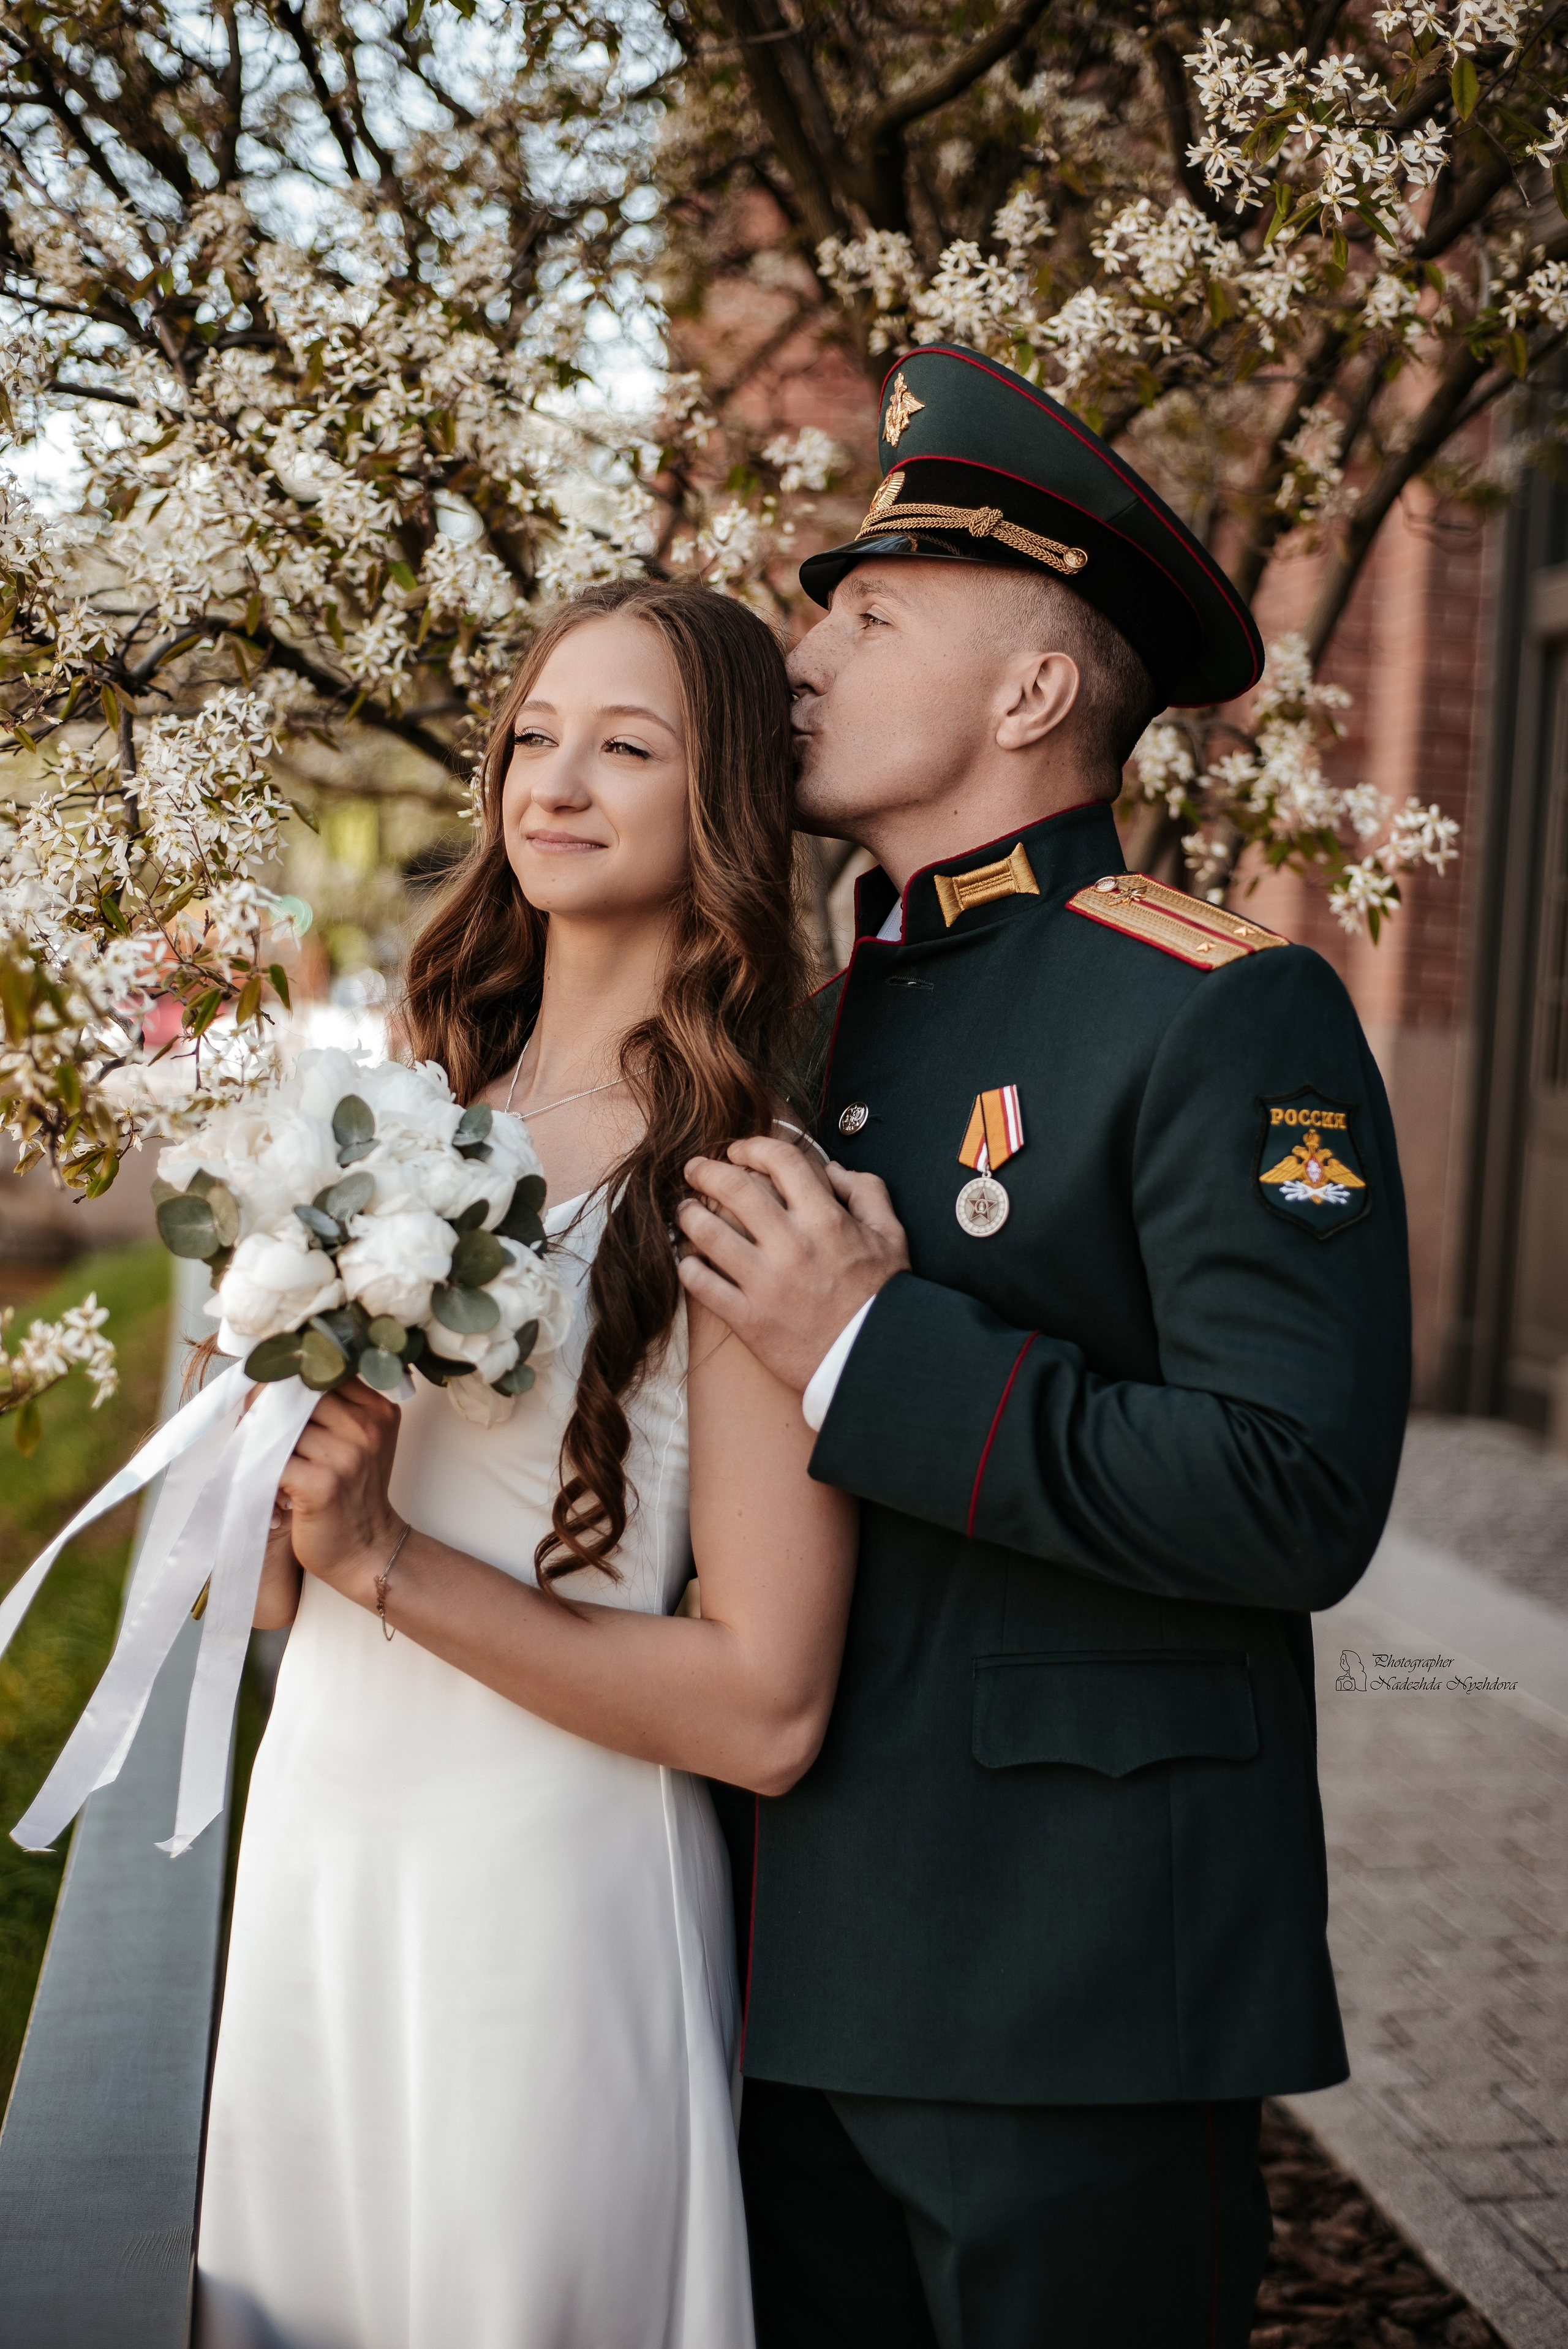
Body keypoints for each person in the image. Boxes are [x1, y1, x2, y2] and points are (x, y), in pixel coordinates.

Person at [674, 344, 1412, 2349]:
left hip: (1067, 1986)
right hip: (772, 1959)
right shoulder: (817, 1017)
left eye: (875, 612)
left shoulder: (1217, 1011)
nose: (808, 653)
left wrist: (868, 1348)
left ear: (1029, 693)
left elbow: (1295, 1491)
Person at [195, 580, 858, 2349]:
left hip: (547, 1885)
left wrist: (389, 1562)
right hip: (329, 1823)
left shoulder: (736, 1185)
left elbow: (767, 1707)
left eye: (626, 746)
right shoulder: (403, 1101)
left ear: (719, 801)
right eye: (535, 738)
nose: (555, 783)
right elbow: (258, 1587)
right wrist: (254, 1433)